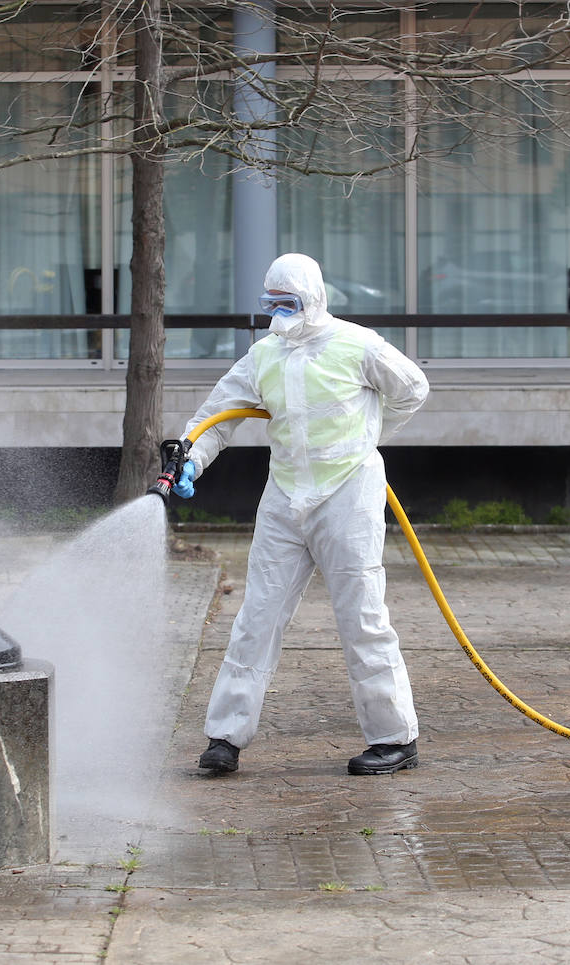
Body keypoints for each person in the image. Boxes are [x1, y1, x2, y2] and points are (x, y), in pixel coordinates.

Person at [172, 252, 430, 776]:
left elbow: (413, 389)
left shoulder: (357, 345)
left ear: (313, 299)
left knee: (361, 615)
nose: (278, 312)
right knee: (257, 617)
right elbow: (216, 418)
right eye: (271, 303)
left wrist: (370, 439)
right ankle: (225, 736)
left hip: (348, 493)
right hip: (285, 496)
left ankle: (394, 738)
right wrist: (189, 456)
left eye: (287, 302)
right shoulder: (263, 356)